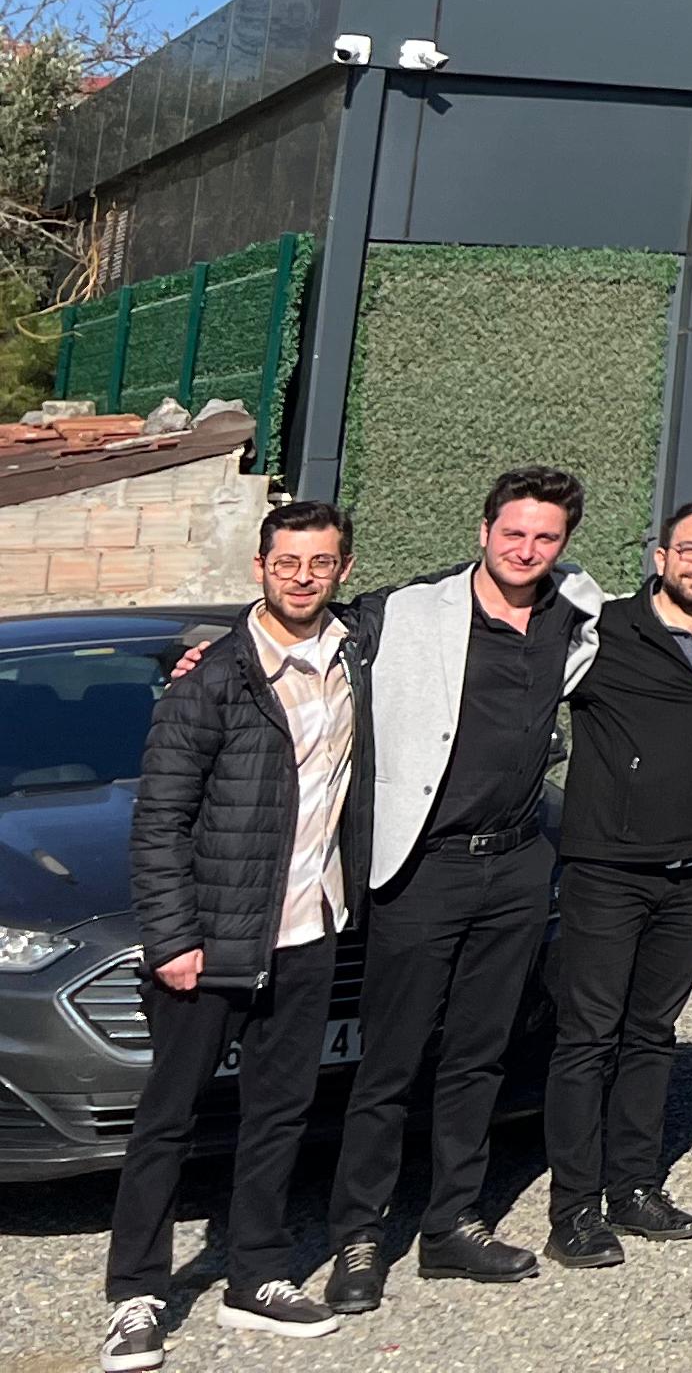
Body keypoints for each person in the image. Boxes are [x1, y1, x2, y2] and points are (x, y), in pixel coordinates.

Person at [325, 467, 608, 1312]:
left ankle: (451, 1224)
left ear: (564, 545)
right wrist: (213, 648)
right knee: (390, 1062)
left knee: (479, 1056)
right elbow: (301, 629)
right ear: (484, 532)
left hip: (516, 864)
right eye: (513, 532)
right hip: (424, 866)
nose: (526, 549)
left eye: (545, 537)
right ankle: (357, 1237)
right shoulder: (407, 612)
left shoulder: (573, 613)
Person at [102, 501, 359, 1363]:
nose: (301, 578)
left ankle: (256, 1275)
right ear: (260, 566)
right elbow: (159, 821)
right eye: (287, 562)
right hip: (213, 937)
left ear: (342, 570)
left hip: (309, 928)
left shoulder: (356, 655)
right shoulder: (213, 677)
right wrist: (173, 939)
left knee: (280, 1113)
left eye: (319, 563)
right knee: (168, 1121)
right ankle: (136, 1294)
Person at [543, 498, 692, 1268]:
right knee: (587, 1039)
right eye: (691, 550)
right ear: (661, 557)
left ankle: (633, 1187)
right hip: (608, 869)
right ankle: (573, 1211)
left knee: (652, 1035)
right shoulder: (604, 633)